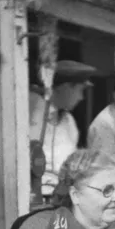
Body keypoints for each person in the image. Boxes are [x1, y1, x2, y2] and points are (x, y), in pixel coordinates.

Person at [29, 60, 97, 203]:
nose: (81, 97)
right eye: (80, 90)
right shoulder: (33, 109)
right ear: (66, 87)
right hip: (34, 197)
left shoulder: (69, 122)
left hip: (62, 199)